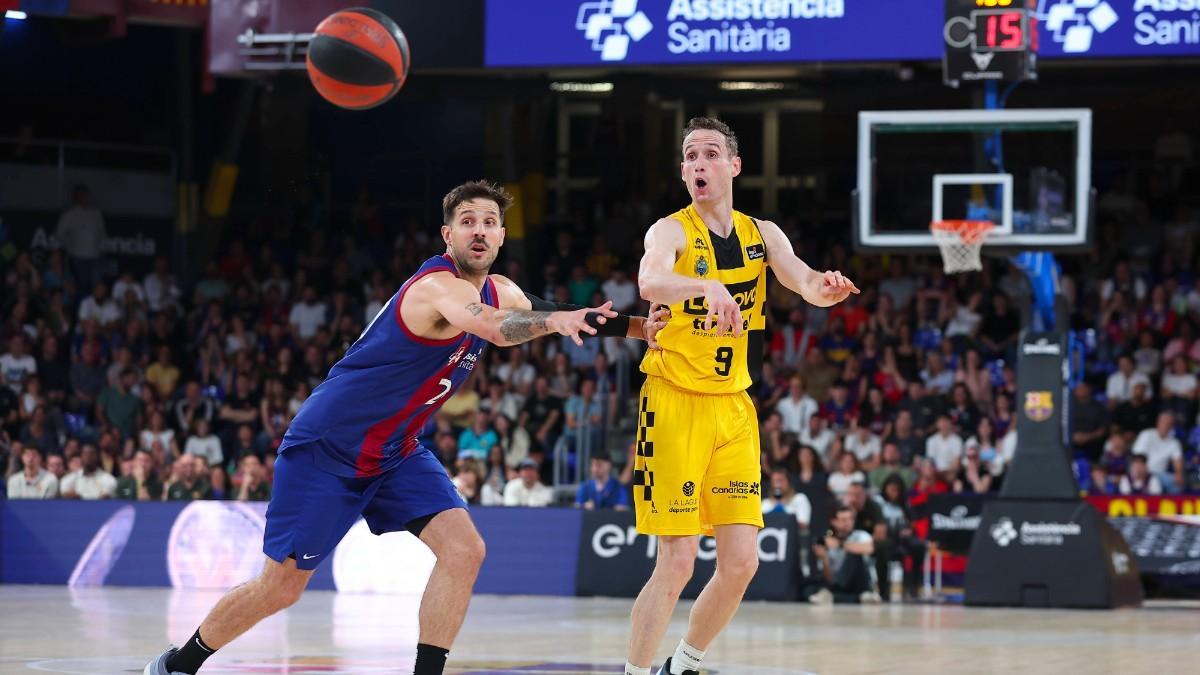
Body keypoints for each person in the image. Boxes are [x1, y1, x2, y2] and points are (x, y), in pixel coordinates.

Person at [144, 181, 666, 675]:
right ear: (449, 235)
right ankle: (176, 664)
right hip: (328, 448)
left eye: (490, 221)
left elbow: (561, 311)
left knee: (466, 550)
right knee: (281, 588)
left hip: (394, 451)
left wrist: (644, 328)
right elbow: (493, 328)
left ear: (503, 236)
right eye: (467, 221)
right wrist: (555, 324)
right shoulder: (437, 286)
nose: (479, 230)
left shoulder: (503, 290)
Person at [628, 117, 858, 675]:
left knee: (741, 563)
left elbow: (801, 282)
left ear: (733, 166)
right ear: (684, 171)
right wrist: (703, 286)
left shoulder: (764, 234)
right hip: (675, 399)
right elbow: (650, 282)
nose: (698, 164)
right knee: (677, 562)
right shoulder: (670, 231)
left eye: (710, 154)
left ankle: (681, 666)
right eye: (689, 156)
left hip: (734, 407)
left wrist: (824, 290)